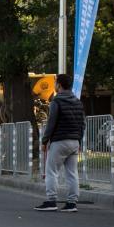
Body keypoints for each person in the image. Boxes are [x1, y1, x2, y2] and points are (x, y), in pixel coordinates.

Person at [35, 74, 86, 213]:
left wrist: (45, 141)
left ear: (59, 85)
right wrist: (79, 140)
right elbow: (82, 124)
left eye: (56, 83)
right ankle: (72, 203)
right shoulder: (77, 102)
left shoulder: (56, 102)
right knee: (72, 173)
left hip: (60, 141)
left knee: (51, 171)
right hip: (74, 142)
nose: (55, 85)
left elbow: (51, 124)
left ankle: (51, 200)